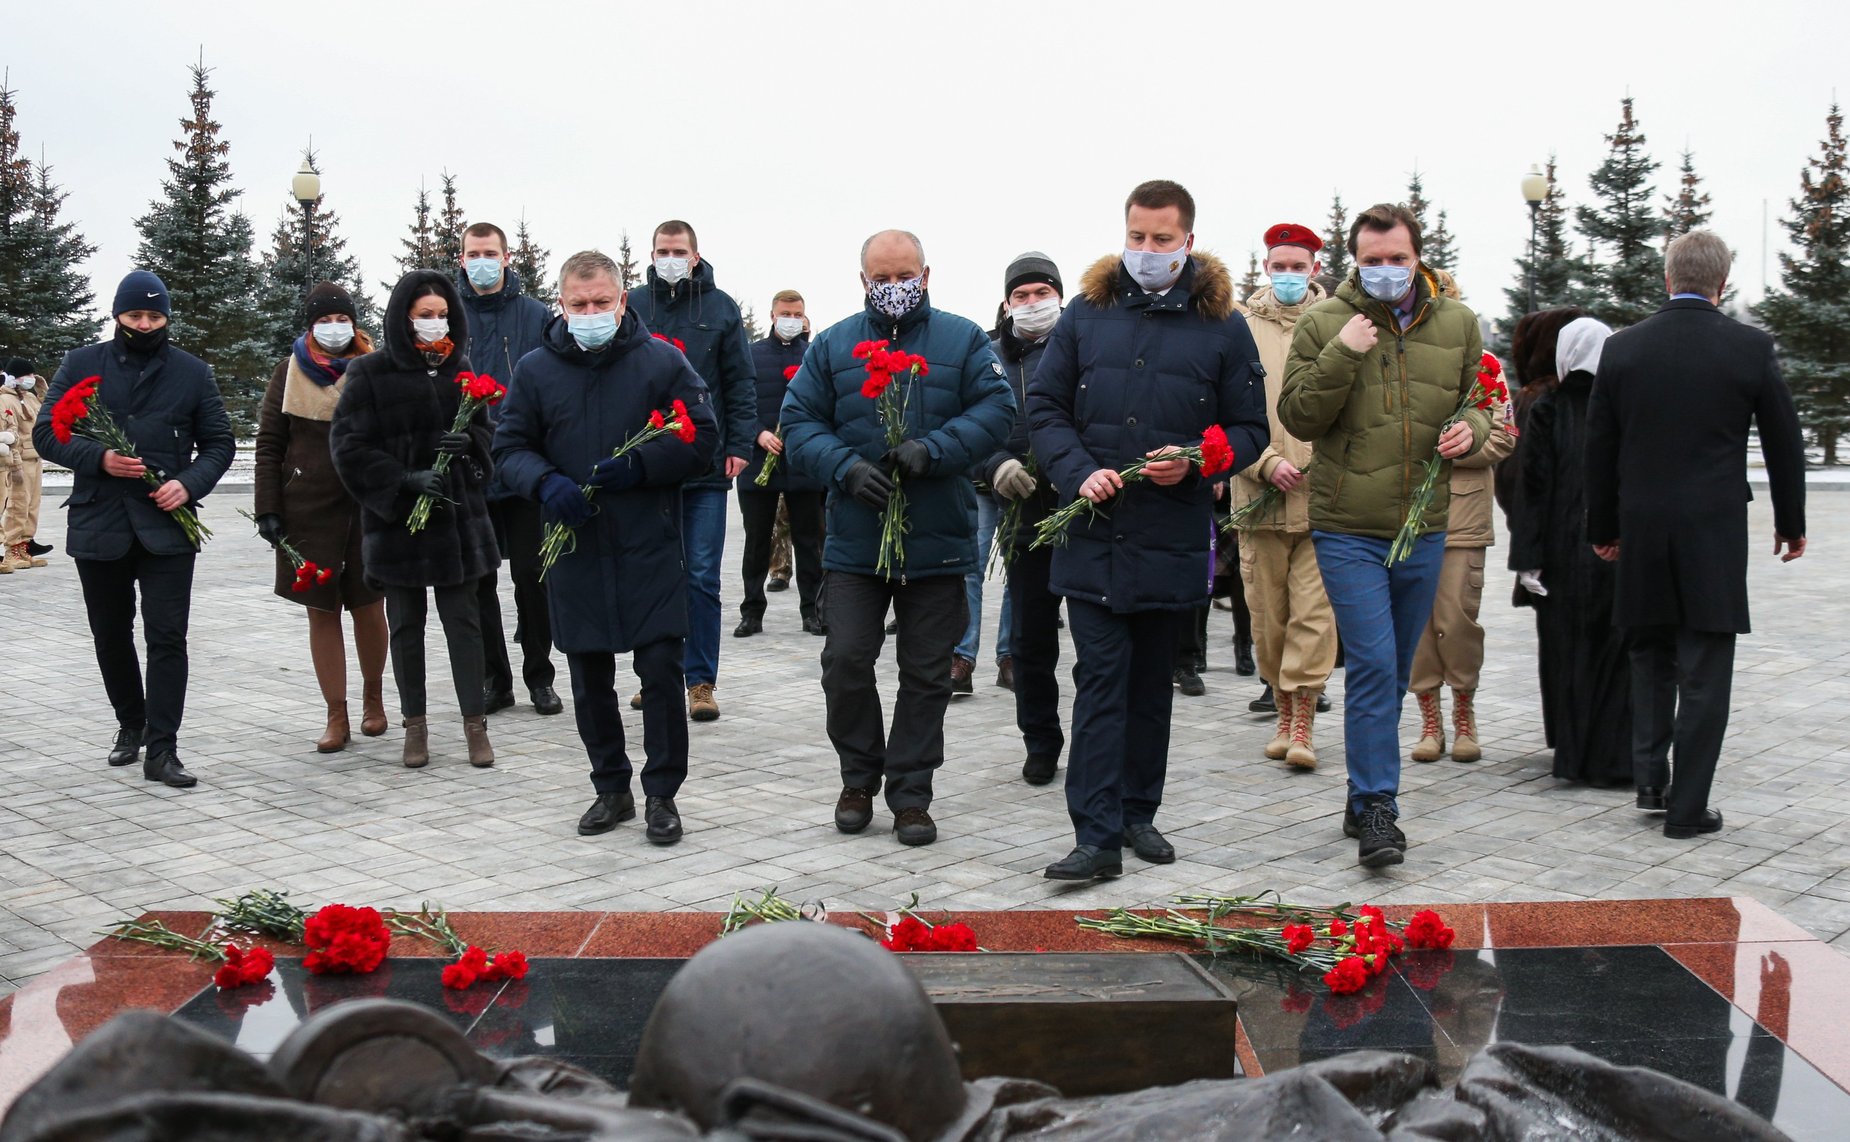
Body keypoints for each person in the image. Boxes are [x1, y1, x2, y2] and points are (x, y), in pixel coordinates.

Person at [1028, 180, 1268, 881]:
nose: (1146, 251)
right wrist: (1078, 472)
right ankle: (1096, 837)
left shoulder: (1221, 324)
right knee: (1101, 679)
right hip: (1097, 530)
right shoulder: (1086, 313)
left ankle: (1138, 812)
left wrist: (1196, 462)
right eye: (1137, 236)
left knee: (1151, 686)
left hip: (1171, 534)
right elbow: (1044, 405)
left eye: (1161, 239)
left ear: (1188, 241)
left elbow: (1252, 429)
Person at [782, 229, 1014, 847]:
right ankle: (858, 777)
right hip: (857, 542)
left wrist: (934, 450)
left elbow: (998, 410)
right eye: (881, 278)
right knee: (847, 660)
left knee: (927, 672)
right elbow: (798, 421)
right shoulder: (832, 346)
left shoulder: (963, 340)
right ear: (863, 281)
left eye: (904, 275)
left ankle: (911, 792)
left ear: (926, 274)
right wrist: (845, 467)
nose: (893, 287)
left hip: (937, 540)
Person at [1279, 202, 1494, 868]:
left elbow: (1478, 401)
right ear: (1354, 261)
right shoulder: (1324, 322)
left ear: (1417, 256)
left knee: (1394, 670)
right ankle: (1379, 809)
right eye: (1372, 261)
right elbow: (1300, 415)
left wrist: (1473, 431)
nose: (1385, 271)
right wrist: (1344, 352)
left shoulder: (1458, 323)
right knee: (1372, 664)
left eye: (1397, 259)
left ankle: (1359, 791)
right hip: (1348, 528)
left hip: (1423, 527)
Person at [1585, 230, 1807, 839]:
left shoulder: (1623, 349)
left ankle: (1651, 782)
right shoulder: (1750, 348)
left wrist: (1602, 527)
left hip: (1642, 529)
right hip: (1712, 532)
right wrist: (1791, 523)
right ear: (1723, 283)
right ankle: (1687, 809)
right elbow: (1785, 443)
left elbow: (1599, 448)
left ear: (1667, 279)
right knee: (1705, 668)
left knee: (1649, 653)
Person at [492, 250, 718, 843]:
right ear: (561, 305)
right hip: (575, 546)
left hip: (647, 541)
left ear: (622, 301)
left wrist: (640, 466)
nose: (590, 313)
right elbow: (509, 447)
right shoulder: (537, 371)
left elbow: (702, 440)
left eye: (601, 303)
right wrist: (545, 482)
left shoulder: (663, 363)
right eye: (578, 304)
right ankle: (611, 788)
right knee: (589, 676)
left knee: (662, 672)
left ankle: (662, 794)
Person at [32, 270, 235, 788]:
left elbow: (219, 444)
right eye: (134, 315)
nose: (144, 325)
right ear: (117, 315)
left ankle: (163, 750)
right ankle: (131, 723)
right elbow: (46, 433)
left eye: (154, 316)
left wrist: (188, 485)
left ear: (166, 317)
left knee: (167, 636)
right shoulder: (83, 362)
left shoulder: (192, 372)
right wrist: (97, 456)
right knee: (110, 632)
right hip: (101, 520)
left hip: (167, 525)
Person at [329, 269, 500, 770]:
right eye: (425, 315)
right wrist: (403, 478)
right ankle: (415, 727)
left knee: (464, 623)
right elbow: (348, 447)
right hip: (399, 524)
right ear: (404, 317)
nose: (434, 324)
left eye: (443, 315)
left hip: (455, 523)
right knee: (406, 626)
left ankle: (475, 726)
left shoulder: (460, 371)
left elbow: (489, 440)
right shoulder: (369, 373)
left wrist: (469, 448)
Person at [624, 220, 756, 723]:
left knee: (700, 576)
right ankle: (654, 676)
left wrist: (739, 443)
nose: (671, 257)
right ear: (650, 254)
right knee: (651, 573)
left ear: (696, 256)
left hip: (705, 464)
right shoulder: (633, 303)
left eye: (679, 250)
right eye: (663, 250)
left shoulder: (720, 309)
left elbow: (739, 381)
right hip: (648, 465)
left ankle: (700, 680)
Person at [252, 282, 391, 753]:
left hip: (367, 505)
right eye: (324, 321)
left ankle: (374, 700)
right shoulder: (287, 373)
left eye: (342, 320)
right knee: (321, 608)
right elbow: (269, 443)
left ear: (355, 323)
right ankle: (337, 714)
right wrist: (268, 509)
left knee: (370, 606)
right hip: (307, 508)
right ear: (310, 326)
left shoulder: (375, 370)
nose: (334, 328)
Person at [1508, 316, 1633, 788]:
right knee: (1615, 652)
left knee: (1566, 653)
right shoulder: (1624, 405)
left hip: (1560, 553)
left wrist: (1528, 558)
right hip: (1616, 546)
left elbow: (1532, 488)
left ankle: (1572, 755)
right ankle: (1614, 757)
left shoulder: (1549, 407)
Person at [1236, 223, 1339, 771]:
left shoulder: (1339, 324)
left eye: (1299, 267)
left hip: (1324, 500)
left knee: (1314, 617)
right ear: (1266, 266)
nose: (1289, 276)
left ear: (1314, 270)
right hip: (1259, 498)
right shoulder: (1238, 328)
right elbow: (1222, 411)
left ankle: (1302, 723)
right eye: (1280, 266)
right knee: (1268, 618)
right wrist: (1263, 461)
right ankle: (1279, 707)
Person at [1407, 272, 1518, 765]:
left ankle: (1464, 710)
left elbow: (1505, 436)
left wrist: (1462, 445)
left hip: (1462, 516)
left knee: (1457, 619)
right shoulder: (1400, 359)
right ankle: (1429, 718)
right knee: (1418, 623)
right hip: (1407, 515)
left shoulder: (1486, 366)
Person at [456, 221, 559, 718]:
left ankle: (540, 676)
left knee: (532, 577)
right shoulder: (448, 316)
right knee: (479, 581)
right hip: (468, 468)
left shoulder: (535, 315)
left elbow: (553, 379)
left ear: (506, 257)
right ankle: (494, 680)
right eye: (473, 253)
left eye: (490, 252)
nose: (482, 261)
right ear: (462, 260)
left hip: (522, 466)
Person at [975, 252, 1067, 784]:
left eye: (1041, 294)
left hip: (1084, 505)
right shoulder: (990, 357)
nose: (1032, 305)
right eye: (1021, 296)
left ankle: (1100, 738)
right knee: (1031, 637)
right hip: (1024, 510)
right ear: (1007, 304)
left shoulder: (1083, 344)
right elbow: (973, 426)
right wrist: (995, 465)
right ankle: (1040, 739)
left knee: (1096, 638)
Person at [736, 289, 825, 638]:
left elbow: (824, 405)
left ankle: (812, 611)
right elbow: (739, 402)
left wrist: (804, 434)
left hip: (803, 464)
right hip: (759, 462)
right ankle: (751, 612)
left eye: (797, 314)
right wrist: (758, 433)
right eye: (785, 313)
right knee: (757, 540)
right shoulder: (751, 355)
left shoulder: (814, 354)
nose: (791, 320)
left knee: (810, 542)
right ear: (773, 315)